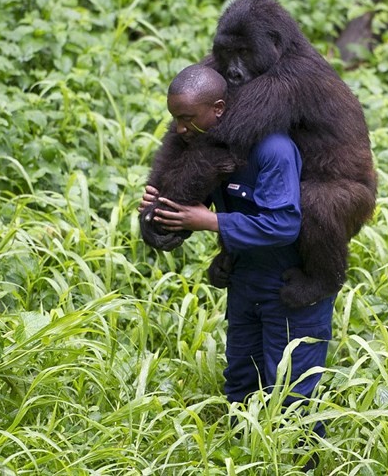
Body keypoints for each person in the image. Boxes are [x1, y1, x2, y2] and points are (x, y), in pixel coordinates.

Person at [139, 64, 336, 462]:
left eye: (186, 119)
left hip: (290, 282)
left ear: (219, 109)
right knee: (242, 382)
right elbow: (197, 199)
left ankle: (301, 465)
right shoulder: (212, 145)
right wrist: (160, 208)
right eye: (175, 118)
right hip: (246, 280)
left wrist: (208, 221)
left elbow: (284, 223)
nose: (179, 129)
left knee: (294, 393)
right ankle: (242, 461)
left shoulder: (272, 149)